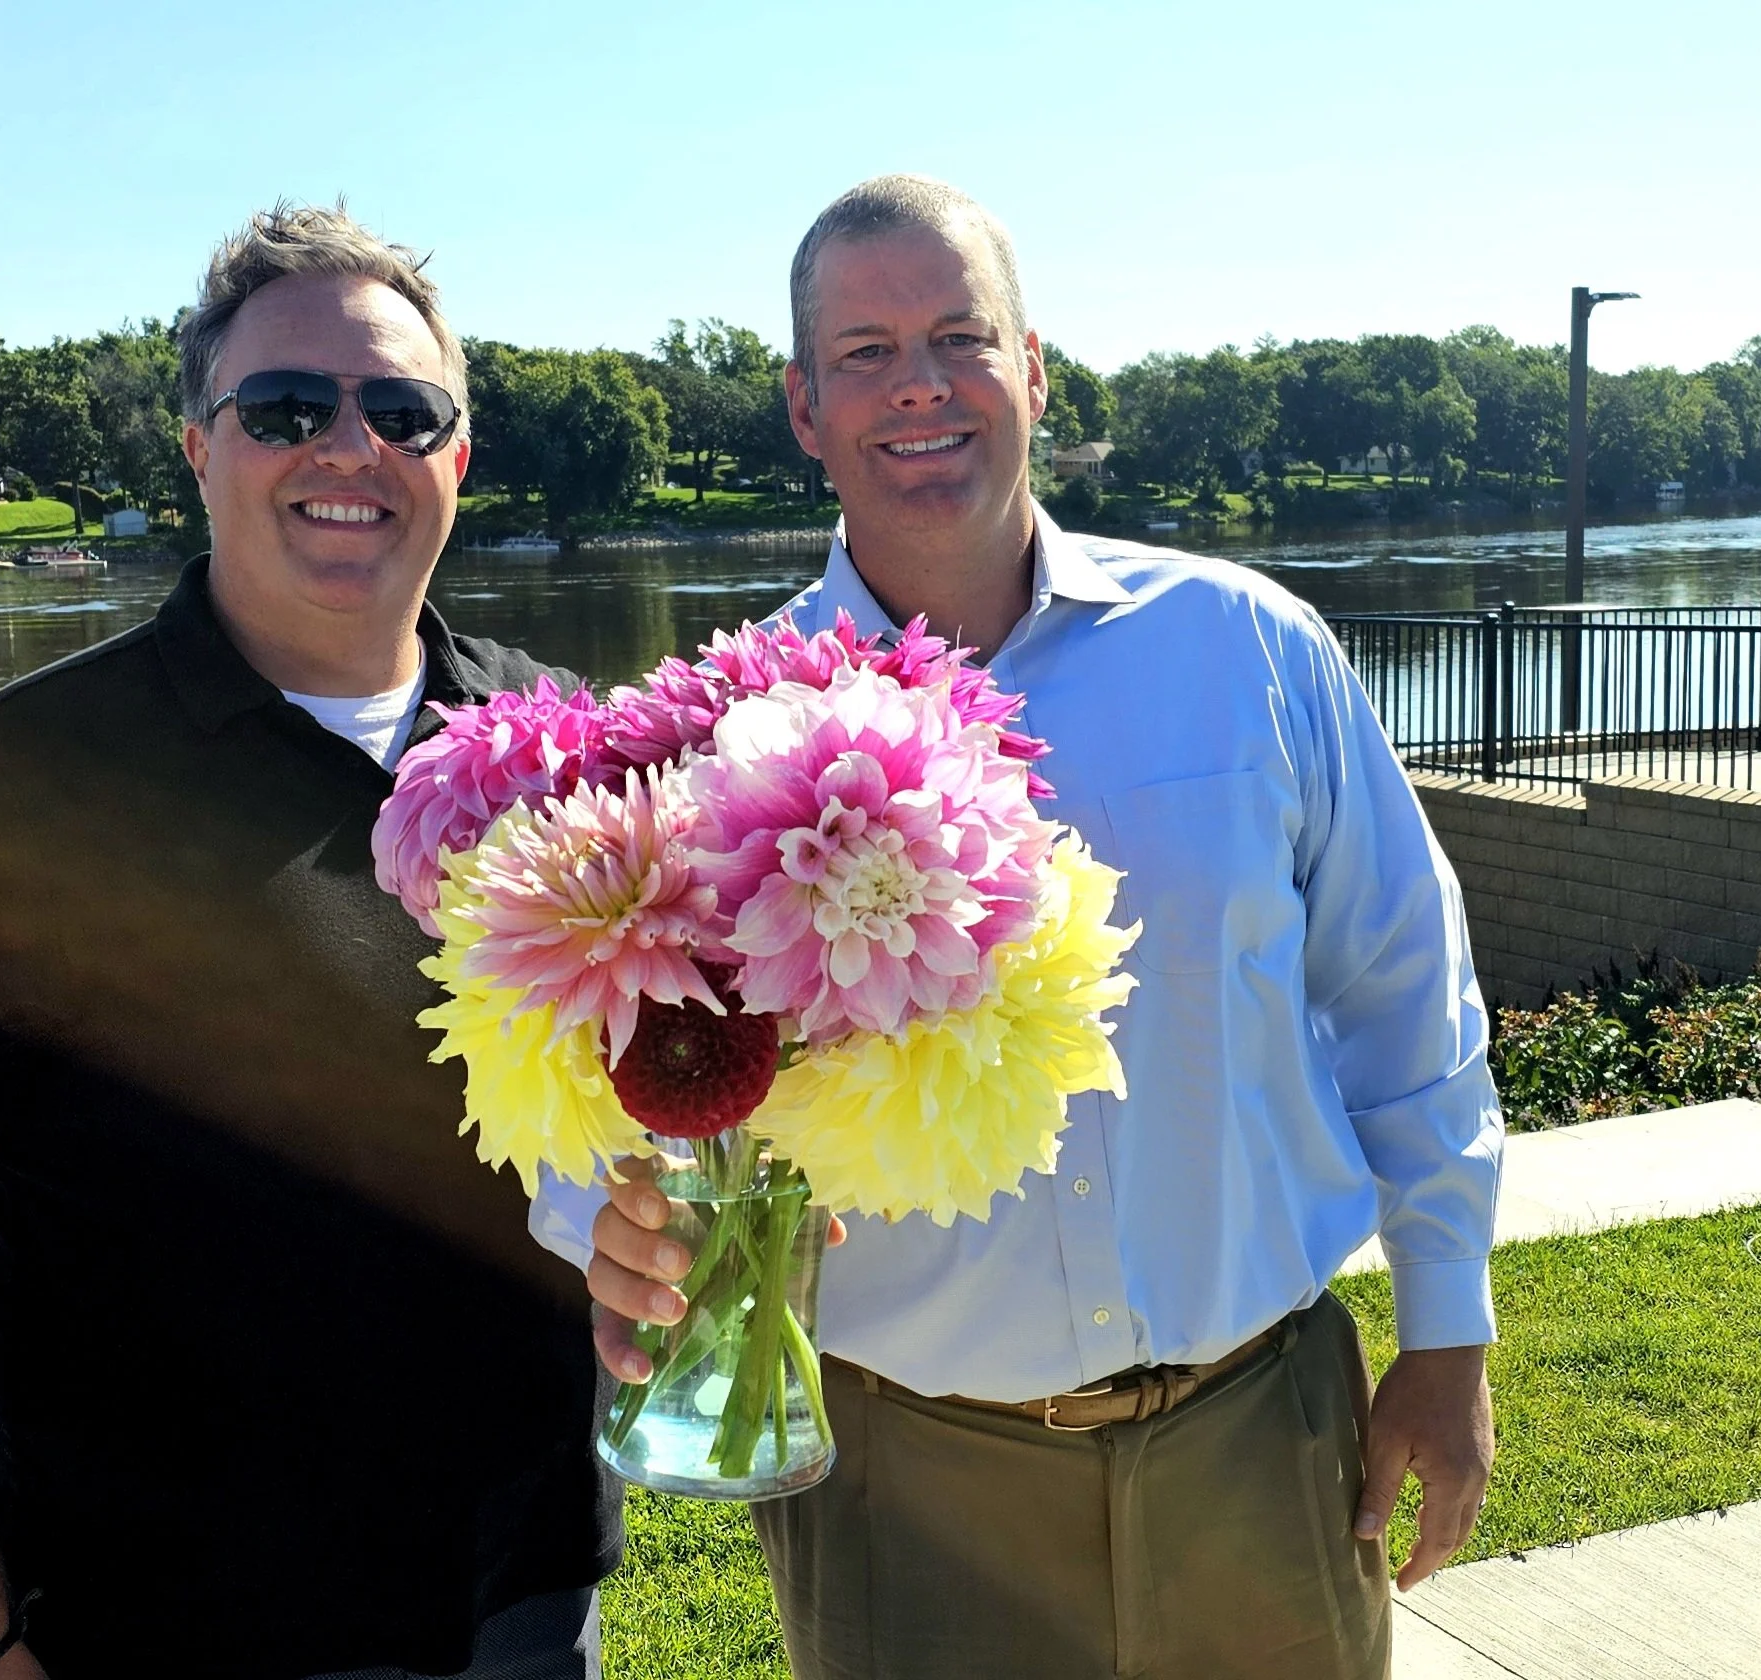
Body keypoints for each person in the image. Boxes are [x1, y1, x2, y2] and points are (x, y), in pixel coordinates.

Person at [553, 175, 1502, 1680]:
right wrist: (603, 1227)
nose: (917, 384)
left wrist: (1447, 1332)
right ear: (802, 408)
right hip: (907, 1488)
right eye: (862, 352)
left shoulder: (1244, 649)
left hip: (1257, 1441)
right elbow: (583, 1079)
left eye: (958, 335)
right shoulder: (710, 736)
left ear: (1033, 368)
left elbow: (1405, 993)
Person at [0, 204, 618, 1680]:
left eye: (401, 410)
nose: (347, 448)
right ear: (198, 448)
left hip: (529, 1600)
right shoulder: (25, 784)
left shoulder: (558, 744)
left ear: (458, 459)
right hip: (163, 1629)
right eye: (286, 406)